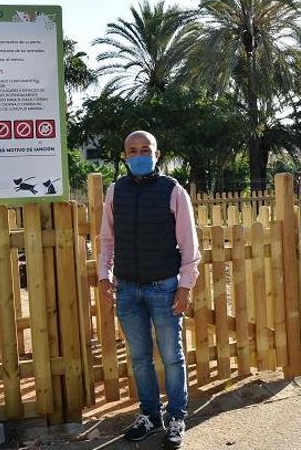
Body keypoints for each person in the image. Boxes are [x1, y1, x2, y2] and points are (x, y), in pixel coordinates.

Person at [98, 131, 200, 448]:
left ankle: (176, 418)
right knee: (140, 358)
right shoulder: (116, 191)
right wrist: (104, 274)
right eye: (133, 150)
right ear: (124, 156)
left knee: (172, 357)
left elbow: (189, 244)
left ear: (157, 155)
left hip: (164, 287)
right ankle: (150, 416)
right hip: (127, 290)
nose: (139, 155)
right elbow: (107, 239)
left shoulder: (173, 191)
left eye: (146, 150)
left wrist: (185, 286)